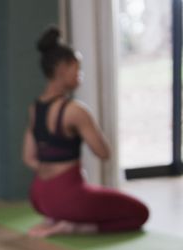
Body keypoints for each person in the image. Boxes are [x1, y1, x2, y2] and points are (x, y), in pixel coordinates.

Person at [22, 26, 149, 238]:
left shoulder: (35, 109)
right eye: (77, 69)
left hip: (39, 196)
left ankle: (55, 218)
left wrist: (51, 171)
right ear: (62, 68)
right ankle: (75, 226)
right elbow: (103, 153)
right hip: (67, 198)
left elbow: (28, 158)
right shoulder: (75, 111)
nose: (80, 75)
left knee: (87, 199)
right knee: (139, 213)